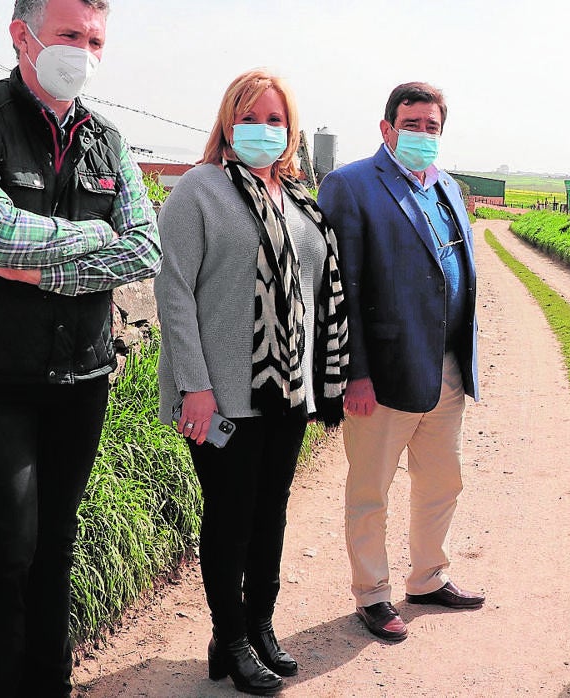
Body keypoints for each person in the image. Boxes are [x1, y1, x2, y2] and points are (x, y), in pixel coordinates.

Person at [0, 1, 162, 695]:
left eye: (95, 39)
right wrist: (98, 241)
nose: (85, 50)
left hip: (82, 372)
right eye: (70, 35)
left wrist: (43, 264)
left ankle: (49, 683)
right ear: (22, 36)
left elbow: (146, 246)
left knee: (56, 545)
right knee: (6, 548)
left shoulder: (110, 140)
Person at [154, 69, 349, 695]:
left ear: (291, 131)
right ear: (227, 120)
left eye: (275, 120)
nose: (263, 129)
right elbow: (174, 290)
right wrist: (196, 385)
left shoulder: (295, 199)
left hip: (286, 391)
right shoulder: (199, 192)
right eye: (251, 116)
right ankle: (230, 638)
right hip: (220, 396)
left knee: (271, 515)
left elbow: (315, 296)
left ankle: (258, 626)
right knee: (231, 515)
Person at [318, 82, 482, 643]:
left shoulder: (450, 189)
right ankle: (372, 593)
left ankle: (428, 578)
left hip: (445, 366)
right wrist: (354, 373)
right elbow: (343, 287)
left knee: (442, 479)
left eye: (431, 126)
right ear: (386, 128)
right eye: (410, 124)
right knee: (371, 488)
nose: (421, 134)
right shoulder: (350, 185)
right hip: (381, 372)